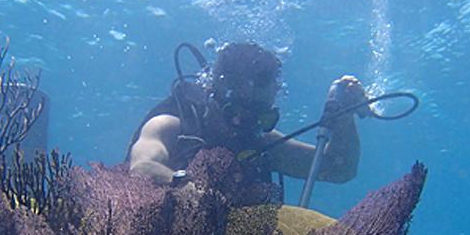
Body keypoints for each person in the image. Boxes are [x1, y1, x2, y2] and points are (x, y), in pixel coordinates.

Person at [127, 42, 370, 187]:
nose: (243, 124)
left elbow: (339, 170)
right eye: (235, 112)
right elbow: (142, 167)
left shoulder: (261, 142)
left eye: (260, 117)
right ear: (213, 95)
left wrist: (343, 118)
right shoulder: (171, 125)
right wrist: (190, 190)